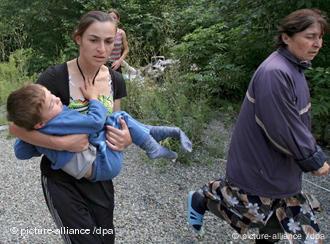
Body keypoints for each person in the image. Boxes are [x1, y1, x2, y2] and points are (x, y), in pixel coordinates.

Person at [187, 9, 329, 244]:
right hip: (262, 164)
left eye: (320, 37)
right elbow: (284, 127)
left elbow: (296, 122)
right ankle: (203, 198)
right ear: (286, 37)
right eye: (310, 36)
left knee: (285, 224)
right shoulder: (275, 73)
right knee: (252, 213)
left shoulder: (295, 67)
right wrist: (313, 158)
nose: (317, 44)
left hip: (283, 167)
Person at [9, 11, 131, 244]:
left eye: (108, 41)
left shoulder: (116, 80)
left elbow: (117, 123)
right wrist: (61, 143)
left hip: (99, 175)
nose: (102, 49)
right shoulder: (54, 78)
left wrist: (126, 138)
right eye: (93, 40)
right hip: (61, 179)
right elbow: (17, 129)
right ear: (78, 38)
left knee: (106, 238)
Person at [8, 83, 192, 181]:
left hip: (96, 169)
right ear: (40, 123)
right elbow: (96, 122)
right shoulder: (60, 120)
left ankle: (152, 134)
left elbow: (20, 153)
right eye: (52, 103)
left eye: (52, 94)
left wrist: (25, 133)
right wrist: (94, 98)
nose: (58, 99)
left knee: (118, 119)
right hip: (103, 164)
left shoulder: (38, 127)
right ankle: (152, 144)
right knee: (119, 117)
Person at [107, 9, 129, 73]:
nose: (112, 19)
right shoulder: (103, 32)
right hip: (103, 64)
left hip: (116, 64)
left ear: (118, 20)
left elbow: (126, 49)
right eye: (109, 18)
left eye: (114, 18)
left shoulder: (121, 33)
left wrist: (120, 61)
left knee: (117, 82)